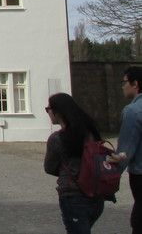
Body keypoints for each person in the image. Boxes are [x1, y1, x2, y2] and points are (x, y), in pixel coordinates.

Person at [44, 92, 111, 233]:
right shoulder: (89, 132)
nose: (48, 113)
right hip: (96, 192)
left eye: (48, 109)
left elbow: (49, 168)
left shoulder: (57, 139)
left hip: (72, 194)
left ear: (57, 112)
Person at [109, 66, 142, 233]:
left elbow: (125, 151)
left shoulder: (133, 111)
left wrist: (109, 174)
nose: (123, 86)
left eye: (124, 82)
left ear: (135, 84)